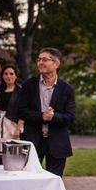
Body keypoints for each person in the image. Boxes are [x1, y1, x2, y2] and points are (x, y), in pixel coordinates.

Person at [18, 47, 75, 177]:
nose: (40, 62)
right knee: (29, 180)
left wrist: (53, 117)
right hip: (32, 141)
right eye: (38, 59)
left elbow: (70, 117)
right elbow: (21, 112)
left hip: (57, 142)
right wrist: (42, 116)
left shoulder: (67, 89)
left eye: (45, 59)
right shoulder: (28, 85)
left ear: (56, 64)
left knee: (53, 183)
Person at [0, 64, 24, 158]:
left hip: (13, 125)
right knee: (1, 154)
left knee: (14, 154)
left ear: (16, 76)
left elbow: (23, 112)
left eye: (11, 74)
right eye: (5, 74)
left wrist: (18, 129)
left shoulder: (20, 91)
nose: (8, 76)